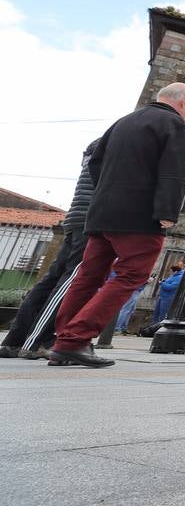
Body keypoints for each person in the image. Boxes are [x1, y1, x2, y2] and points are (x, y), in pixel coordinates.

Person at [48, 83, 185, 368]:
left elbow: (95, 165)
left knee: (89, 276)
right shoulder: (174, 125)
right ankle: (74, 339)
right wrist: (167, 212)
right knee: (131, 276)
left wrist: (108, 192)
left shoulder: (123, 122)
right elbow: (173, 172)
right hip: (139, 217)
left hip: (102, 213)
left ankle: (63, 338)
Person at [0, 140, 98, 360]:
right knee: (72, 280)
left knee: (51, 280)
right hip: (88, 221)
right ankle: (39, 341)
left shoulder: (94, 148)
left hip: (75, 219)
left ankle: (14, 340)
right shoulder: (110, 148)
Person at [151, 262, 185, 327]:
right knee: (156, 314)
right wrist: (164, 281)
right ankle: (154, 328)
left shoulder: (179, 277)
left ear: (175, 271)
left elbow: (171, 287)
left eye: (171, 271)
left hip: (168, 298)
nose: (170, 272)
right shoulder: (173, 276)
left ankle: (160, 328)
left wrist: (161, 283)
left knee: (163, 315)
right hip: (162, 297)